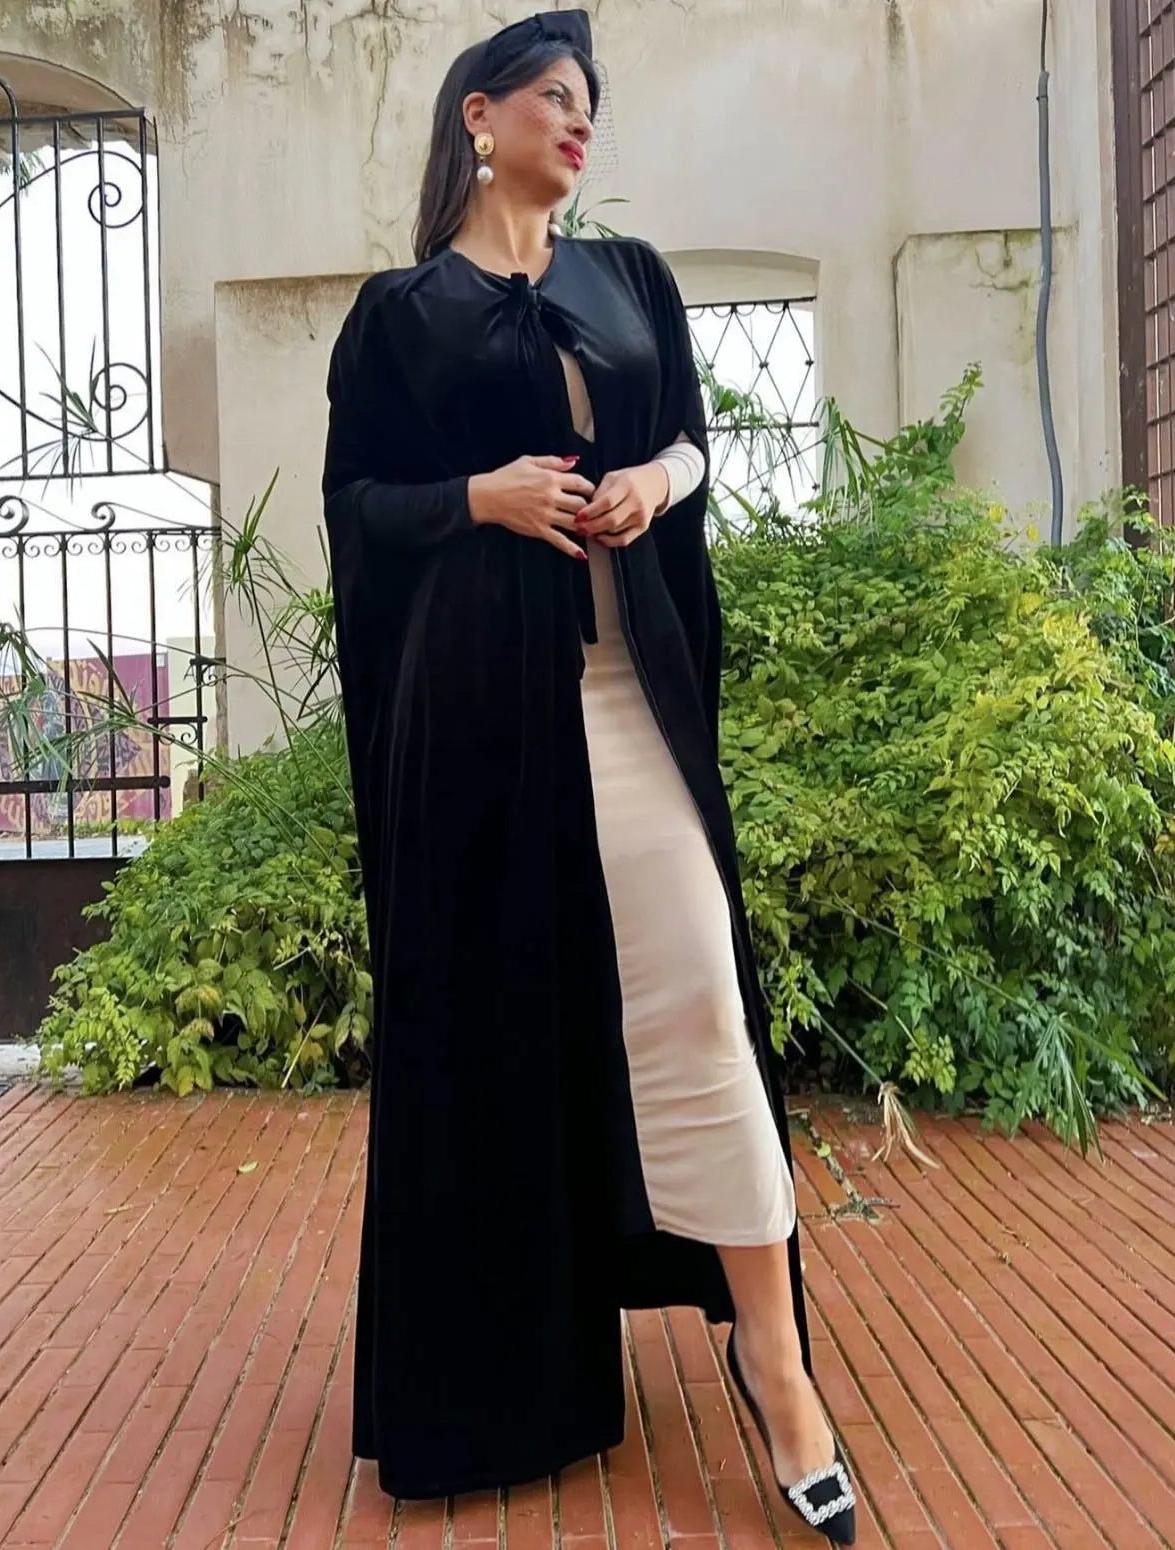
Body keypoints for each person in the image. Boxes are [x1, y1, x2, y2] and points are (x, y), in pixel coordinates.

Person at [320, 10, 856, 1542]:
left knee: (700, 1000)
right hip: (480, 723)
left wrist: (651, 482)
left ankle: (776, 1363)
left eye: (591, 106)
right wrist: (475, 499)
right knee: (498, 1035)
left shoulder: (631, 281)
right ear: (478, 118)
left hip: (627, 694)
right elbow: (357, 506)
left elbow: (691, 441)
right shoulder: (400, 313)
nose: (579, 122)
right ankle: (507, 1383)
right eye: (554, 98)